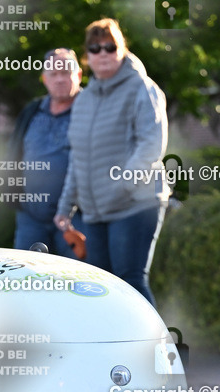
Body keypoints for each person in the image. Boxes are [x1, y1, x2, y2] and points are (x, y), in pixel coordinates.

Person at [54, 18, 169, 306]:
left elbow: (151, 144)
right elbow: (77, 159)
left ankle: (157, 351)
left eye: (109, 46)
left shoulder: (142, 88)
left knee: (130, 282)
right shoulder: (84, 100)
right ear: (87, 55)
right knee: (101, 286)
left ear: (122, 49)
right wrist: (65, 207)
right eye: (95, 48)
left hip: (134, 205)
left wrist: (123, 186)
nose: (102, 53)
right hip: (95, 213)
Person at [8, 48, 87, 259]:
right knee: (24, 278)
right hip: (31, 217)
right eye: (54, 74)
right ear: (44, 78)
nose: (60, 79)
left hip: (77, 218)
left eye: (66, 73)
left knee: (76, 283)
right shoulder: (32, 111)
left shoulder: (92, 110)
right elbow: (14, 154)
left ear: (78, 75)